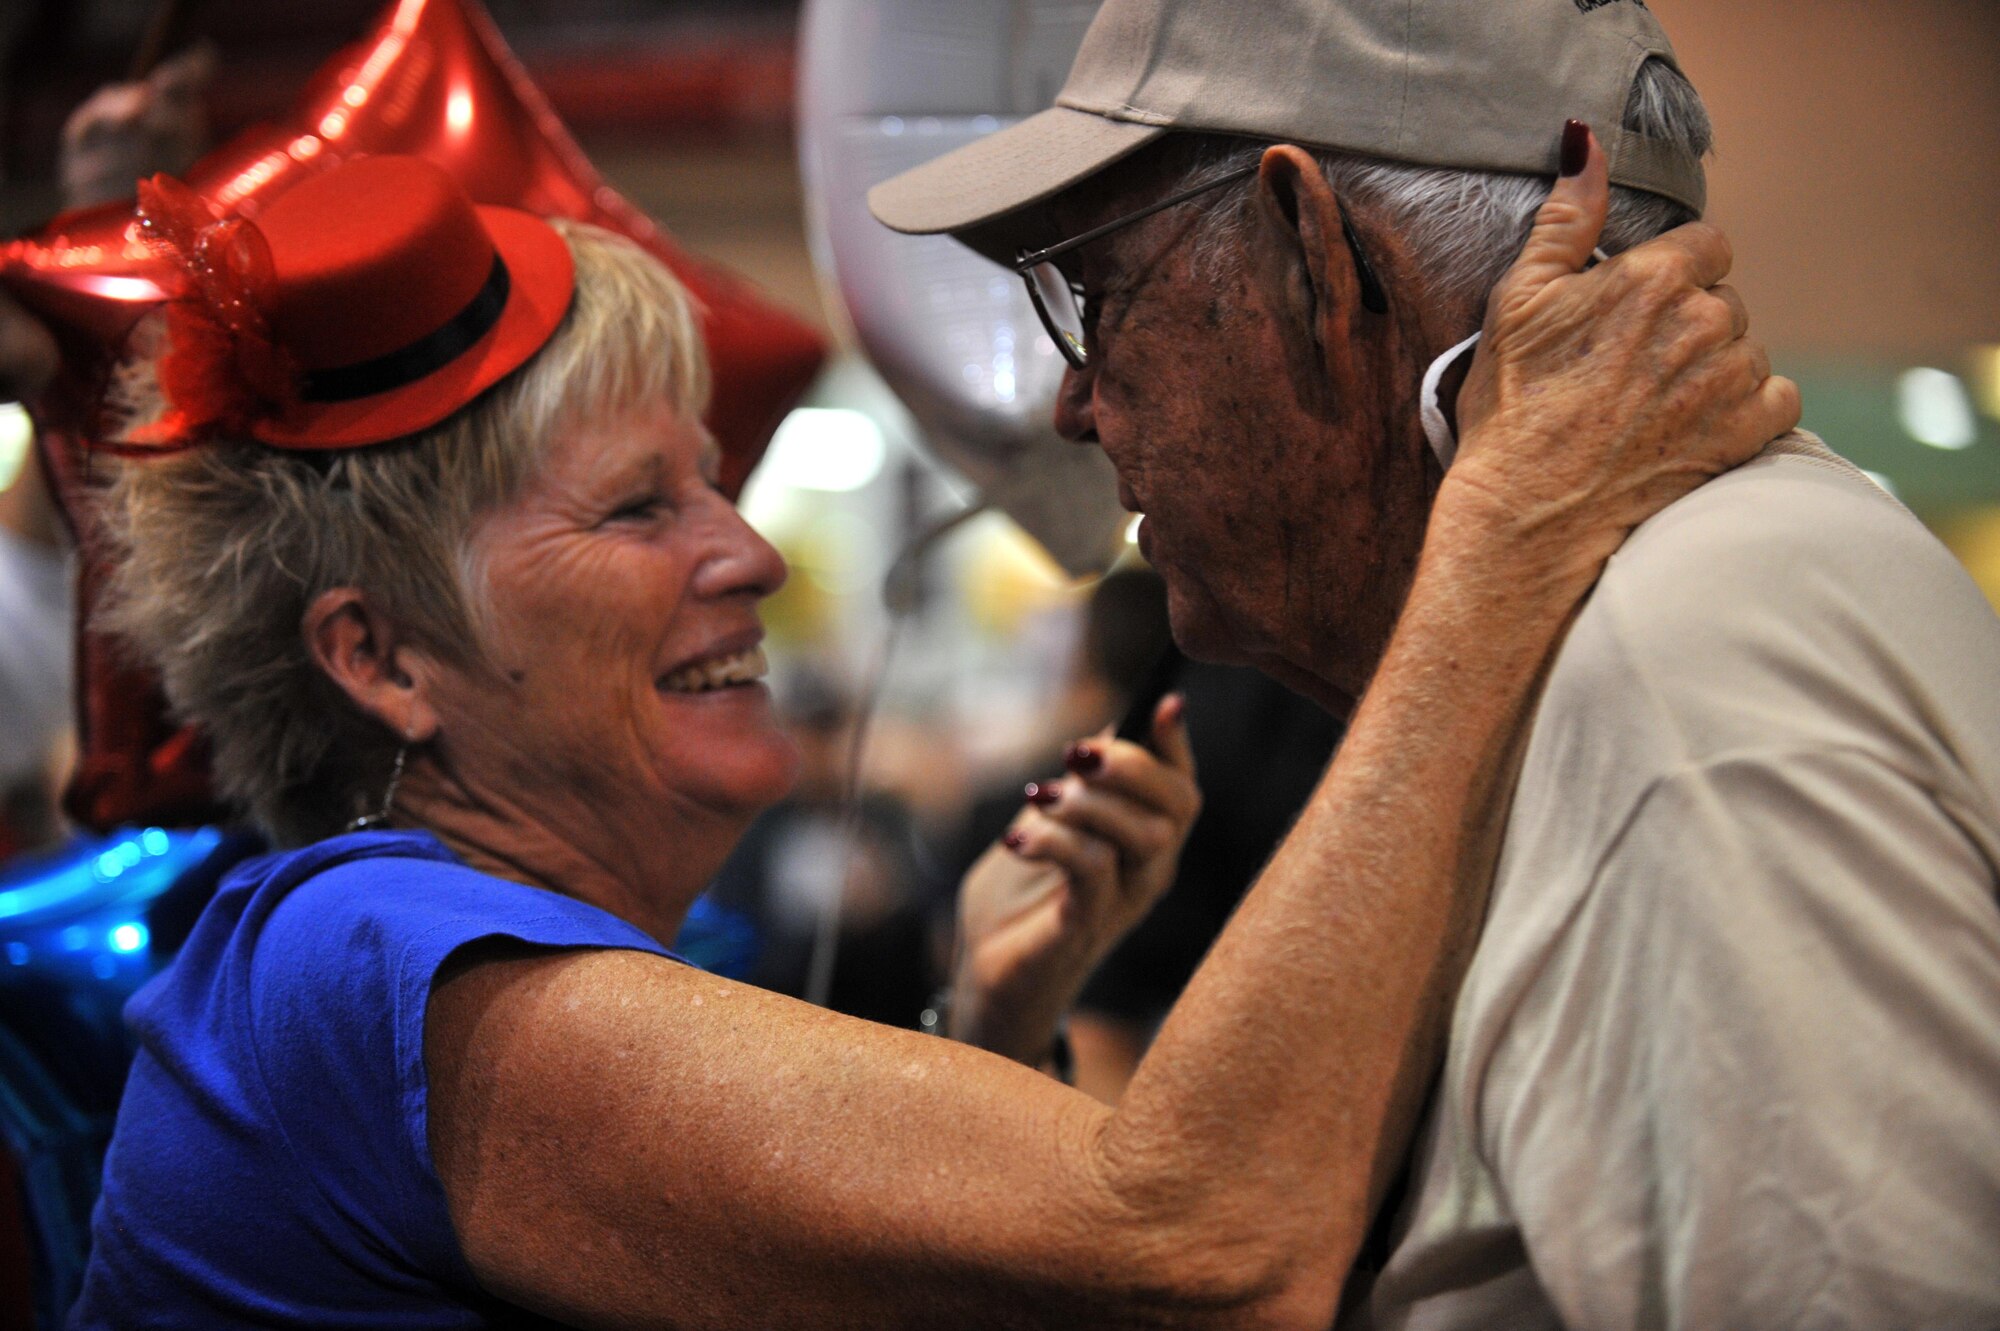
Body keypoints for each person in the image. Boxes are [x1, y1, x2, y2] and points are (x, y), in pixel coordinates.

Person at [70, 142, 1783, 1329]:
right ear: (382, 660)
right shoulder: (364, 965)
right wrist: (1506, 533)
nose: (745, 554)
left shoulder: (470, 973)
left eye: (717, 488)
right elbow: (1198, 1244)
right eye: (638, 509)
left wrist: (984, 1026)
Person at [870, 1, 2000, 1326]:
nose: (1075, 400)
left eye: (1100, 295)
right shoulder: (1613, 614)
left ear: (1314, 258)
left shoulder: (1670, 654)